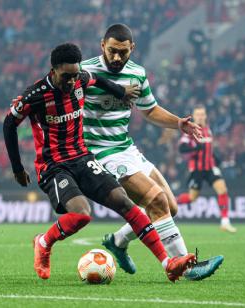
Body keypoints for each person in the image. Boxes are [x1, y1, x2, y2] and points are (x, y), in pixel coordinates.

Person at [2, 43, 196, 281]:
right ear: (53, 71)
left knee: (126, 204)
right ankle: (43, 242)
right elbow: (9, 124)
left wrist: (121, 92)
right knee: (82, 215)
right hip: (53, 166)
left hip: (83, 158)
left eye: (75, 76)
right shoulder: (35, 95)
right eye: (66, 77)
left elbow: (97, 80)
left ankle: (169, 263)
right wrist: (17, 168)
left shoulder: (81, 78)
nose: (72, 82)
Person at [81, 24, 223, 281]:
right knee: (156, 201)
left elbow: (149, 110)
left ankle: (118, 241)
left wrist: (178, 123)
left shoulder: (137, 73)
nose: (116, 57)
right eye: (112, 51)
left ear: (132, 48)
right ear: (102, 45)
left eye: (122, 53)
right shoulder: (85, 71)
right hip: (100, 152)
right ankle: (187, 268)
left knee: (170, 206)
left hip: (126, 148)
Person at [176, 105, 237, 232]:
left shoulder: (208, 130)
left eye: (202, 114)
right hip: (197, 169)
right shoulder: (190, 130)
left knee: (222, 190)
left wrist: (216, 159)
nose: (200, 117)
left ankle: (225, 222)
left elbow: (209, 148)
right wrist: (195, 148)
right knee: (192, 198)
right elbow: (181, 147)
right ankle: (172, 202)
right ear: (193, 116)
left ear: (205, 116)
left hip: (210, 167)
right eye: (197, 114)